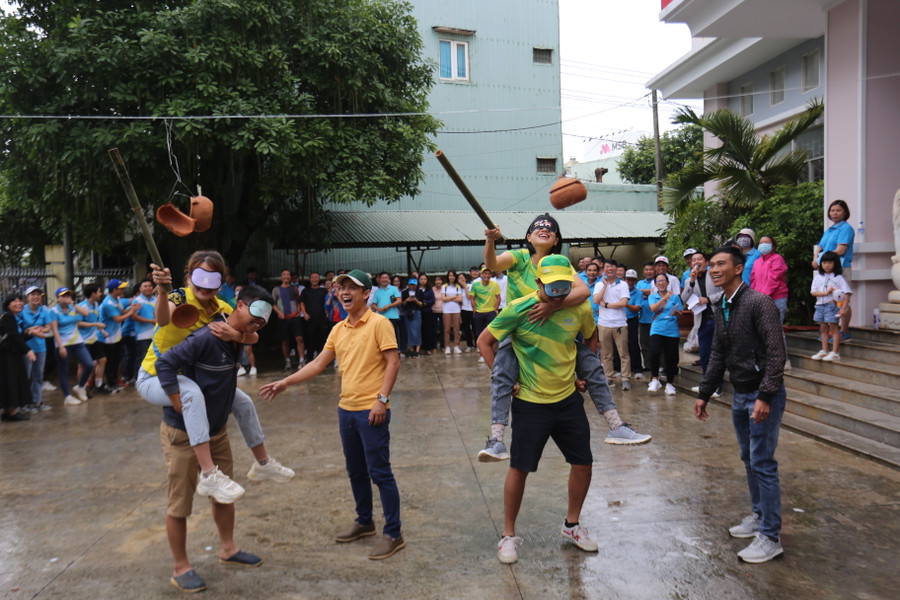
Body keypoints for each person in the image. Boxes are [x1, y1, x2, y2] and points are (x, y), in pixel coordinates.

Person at [260, 269, 405, 561]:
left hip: (371, 411)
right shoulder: (339, 329)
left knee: (380, 473)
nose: (345, 291)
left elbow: (393, 363)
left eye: (352, 287)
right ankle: (364, 522)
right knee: (355, 471)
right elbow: (318, 364)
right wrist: (286, 382)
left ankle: (394, 533)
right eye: (341, 287)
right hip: (346, 411)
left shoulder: (379, 324)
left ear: (367, 294)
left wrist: (381, 400)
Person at [480, 214, 650, 461]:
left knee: (593, 367)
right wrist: (490, 241)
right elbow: (493, 263)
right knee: (501, 374)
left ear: (557, 239)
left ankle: (616, 426)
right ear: (528, 237)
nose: (544, 228)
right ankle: (496, 439)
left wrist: (553, 306)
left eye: (550, 227)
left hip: (556, 328)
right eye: (538, 226)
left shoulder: (559, 263)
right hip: (522, 327)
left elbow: (582, 292)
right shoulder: (519, 257)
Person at [139, 252, 294, 506]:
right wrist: (162, 291)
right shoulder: (178, 296)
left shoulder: (222, 308)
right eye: (198, 278)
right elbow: (162, 318)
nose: (204, 286)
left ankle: (263, 463)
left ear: (221, 283)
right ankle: (209, 473)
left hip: (189, 377)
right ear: (189, 278)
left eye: (212, 279)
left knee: (242, 401)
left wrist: (235, 334)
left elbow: (252, 334)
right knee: (191, 394)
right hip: (156, 376)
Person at [477, 255, 600, 564]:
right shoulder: (518, 309)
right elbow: (484, 341)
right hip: (531, 404)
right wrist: (507, 382)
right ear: (538, 282)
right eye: (552, 286)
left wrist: (584, 372)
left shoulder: (579, 307)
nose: (558, 292)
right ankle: (508, 535)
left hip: (568, 400)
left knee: (583, 463)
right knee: (520, 468)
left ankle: (571, 526)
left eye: (563, 285)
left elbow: (591, 336)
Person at [156, 285, 273, 593]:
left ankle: (228, 549)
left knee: (224, 493)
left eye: (265, 318)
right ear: (239, 306)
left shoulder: (237, 337)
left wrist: (243, 336)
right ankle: (181, 567)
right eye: (255, 313)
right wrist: (174, 397)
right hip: (183, 433)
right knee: (180, 502)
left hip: (216, 430)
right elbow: (164, 363)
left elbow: (254, 336)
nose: (258, 322)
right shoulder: (206, 336)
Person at [694, 245, 787, 564]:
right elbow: (719, 352)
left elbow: (777, 354)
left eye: (721, 264)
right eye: (711, 265)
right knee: (749, 458)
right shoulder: (721, 304)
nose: (714, 269)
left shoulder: (759, 303)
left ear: (738, 269)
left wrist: (765, 396)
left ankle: (771, 536)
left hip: (762, 394)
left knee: (763, 461)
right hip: (740, 392)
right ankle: (760, 515)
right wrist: (704, 392)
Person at [682, 252, 723, 398]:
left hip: (718, 319)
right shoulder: (689, 280)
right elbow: (685, 298)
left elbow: (724, 293)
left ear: (706, 262)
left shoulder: (715, 275)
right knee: (705, 354)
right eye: (693, 260)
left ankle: (718, 386)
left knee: (717, 354)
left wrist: (708, 299)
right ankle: (707, 385)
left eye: (699, 259)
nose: (696, 262)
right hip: (702, 321)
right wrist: (692, 281)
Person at [812, 199, 855, 339]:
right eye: (832, 210)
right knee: (829, 300)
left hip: (841, 269)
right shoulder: (830, 229)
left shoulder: (846, 228)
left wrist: (821, 260)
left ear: (845, 213)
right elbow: (820, 246)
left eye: (838, 210)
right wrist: (815, 258)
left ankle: (845, 331)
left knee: (842, 300)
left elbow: (841, 250)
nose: (834, 213)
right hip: (827, 271)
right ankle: (832, 331)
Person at [49, 287, 95, 406]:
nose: (66, 298)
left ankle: (80, 387)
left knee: (89, 364)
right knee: (63, 371)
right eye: (63, 296)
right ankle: (67, 397)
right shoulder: (53, 311)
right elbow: (55, 330)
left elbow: (86, 313)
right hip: (63, 343)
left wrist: (73, 303)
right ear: (57, 298)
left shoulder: (73, 308)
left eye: (68, 295)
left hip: (77, 342)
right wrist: (60, 347)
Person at [592, 259, 632, 391]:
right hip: (603, 324)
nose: (609, 269)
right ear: (604, 269)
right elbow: (597, 300)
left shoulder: (623, 284)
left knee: (623, 353)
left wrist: (607, 304)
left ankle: (626, 378)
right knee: (607, 354)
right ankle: (608, 377)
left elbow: (623, 303)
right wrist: (604, 286)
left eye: (612, 267)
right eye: (607, 267)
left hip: (620, 324)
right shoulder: (599, 285)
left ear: (616, 269)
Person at [750, 236, 790, 369]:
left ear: (773, 246)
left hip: (776, 298)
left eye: (766, 242)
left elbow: (774, 279)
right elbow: (754, 280)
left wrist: (763, 295)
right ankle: (767, 360)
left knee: (777, 330)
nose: (763, 245)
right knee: (762, 330)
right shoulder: (757, 261)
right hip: (761, 299)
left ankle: (783, 361)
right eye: (761, 242)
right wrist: (755, 296)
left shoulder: (777, 259)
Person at [810, 251, 852, 362]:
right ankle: (824, 350)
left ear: (835, 263)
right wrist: (825, 293)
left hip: (832, 306)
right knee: (823, 329)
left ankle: (835, 352)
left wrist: (843, 308)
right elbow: (813, 292)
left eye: (830, 262)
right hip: (819, 306)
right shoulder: (818, 277)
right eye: (824, 262)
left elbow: (847, 293)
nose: (826, 265)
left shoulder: (838, 278)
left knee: (833, 329)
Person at [646, 273, 683, 396]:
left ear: (668, 283)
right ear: (655, 284)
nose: (661, 283)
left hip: (672, 329)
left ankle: (670, 383)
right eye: (658, 281)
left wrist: (677, 313)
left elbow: (681, 311)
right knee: (654, 353)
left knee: (671, 357)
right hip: (657, 328)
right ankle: (655, 379)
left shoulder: (675, 297)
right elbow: (653, 309)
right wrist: (664, 299)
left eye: (663, 280)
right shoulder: (653, 297)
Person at [18, 286, 52, 412]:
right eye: (32, 294)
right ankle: (23, 404)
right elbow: (19, 330)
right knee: (25, 376)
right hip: (26, 348)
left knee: (38, 376)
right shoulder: (21, 311)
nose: (36, 297)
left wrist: (40, 329)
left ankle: (36, 401)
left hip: (41, 347)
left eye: (38, 294)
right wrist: (31, 331)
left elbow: (48, 328)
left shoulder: (44, 310)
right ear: (27, 298)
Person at [2, 292, 35, 421]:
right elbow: (14, 337)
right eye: (14, 302)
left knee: (12, 381)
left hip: (13, 355)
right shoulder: (7, 318)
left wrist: (31, 332)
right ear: (8, 305)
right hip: (7, 356)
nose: (18, 303)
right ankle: (12, 413)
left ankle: (8, 412)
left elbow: (19, 337)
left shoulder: (16, 318)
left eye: (20, 301)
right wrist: (28, 350)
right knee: (11, 381)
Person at [101, 279, 139, 391]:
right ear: (114, 290)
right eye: (121, 288)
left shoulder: (117, 299)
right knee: (111, 361)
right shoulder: (108, 303)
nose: (123, 290)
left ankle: (114, 382)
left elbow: (122, 312)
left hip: (116, 336)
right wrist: (132, 312)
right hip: (108, 337)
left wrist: (131, 309)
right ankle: (110, 383)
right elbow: (118, 319)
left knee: (117, 359)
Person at [78, 283, 110, 394]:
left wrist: (102, 330)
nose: (101, 293)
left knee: (102, 360)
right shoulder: (82, 306)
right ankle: (81, 388)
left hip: (94, 339)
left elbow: (95, 321)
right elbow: (78, 323)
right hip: (83, 340)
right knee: (83, 365)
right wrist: (96, 325)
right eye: (99, 291)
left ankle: (98, 385)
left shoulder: (96, 305)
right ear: (93, 293)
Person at [272, 269, 304, 370]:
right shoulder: (276, 289)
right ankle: (287, 361)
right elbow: (273, 303)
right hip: (283, 318)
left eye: (288, 274)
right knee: (284, 340)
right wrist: (279, 312)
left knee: (299, 338)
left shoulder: (294, 289)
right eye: (284, 274)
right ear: (281, 277)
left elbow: (299, 301)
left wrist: (298, 312)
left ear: (290, 277)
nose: (286, 276)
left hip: (294, 317)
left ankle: (302, 360)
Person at [470, 267, 501, 362]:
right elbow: (472, 298)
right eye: (485, 273)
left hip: (491, 312)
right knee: (480, 335)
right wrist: (474, 310)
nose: (487, 276)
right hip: (480, 312)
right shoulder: (475, 285)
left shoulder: (495, 284)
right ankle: (482, 354)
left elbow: (498, 297)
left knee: (493, 334)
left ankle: (492, 353)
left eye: (489, 274)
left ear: (491, 275)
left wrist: (495, 309)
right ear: (481, 274)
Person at [300, 272, 329, 363]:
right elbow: (301, 303)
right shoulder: (305, 291)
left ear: (319, 279)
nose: (314, 279)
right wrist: (304, 313)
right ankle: (309, 359)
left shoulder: (323, 291)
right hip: (310, 319)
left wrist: (327, 314)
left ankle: (322, 360)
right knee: (310, 339)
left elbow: (327, 303)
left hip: (322, 318)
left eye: (316, 277)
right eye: (312, 277)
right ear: (310, 279)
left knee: (322, 339)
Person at [623, 270, 645, 380]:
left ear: (635, 281)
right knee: (620, 345)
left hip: (632, 320)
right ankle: (620, 369)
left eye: (632, 280)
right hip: (619, 320)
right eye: (628, 279)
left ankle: (637, 369)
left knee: (633, 344)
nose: (630, 282)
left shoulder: (638, 292)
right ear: (624, 279)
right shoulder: (619, 290)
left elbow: (637, 308)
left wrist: (625, 304)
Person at [441, 270, 463, 354]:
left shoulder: (458, 286)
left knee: (456, 329)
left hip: (456, 310)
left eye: (453, 275)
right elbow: (443, 298)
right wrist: (454, 297)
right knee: (446, 329)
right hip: (446, 310)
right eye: (450, 275)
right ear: (448, 277)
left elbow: (460, 299)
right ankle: (447, 346)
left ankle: (456, 346)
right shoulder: (444, 286)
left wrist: (448, 298)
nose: (451, 277)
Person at [401, 278, 423, 357]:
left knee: (417, 331)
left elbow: (421, 304)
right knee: (409, 331)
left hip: (416, 312)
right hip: (408, 313)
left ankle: (417, 349)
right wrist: (407, 300)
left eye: (414, 285)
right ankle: (411, 349)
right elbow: (402, 304)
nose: (412, 286)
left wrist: (415, 300)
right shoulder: (404, 292)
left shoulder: (419, 292)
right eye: (411, 284)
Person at [458, 272, 476, 351]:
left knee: (475, 328)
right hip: (463, 310)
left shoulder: (470, 286)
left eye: (462, 278)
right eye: (459, 278)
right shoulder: (458, 288)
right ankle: (469, 345)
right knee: (466, 328)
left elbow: (469, 296)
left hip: (472, 309)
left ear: (465, 279)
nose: (461, 280)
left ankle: (477, 344)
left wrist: (465, 286)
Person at [418, 274, 436, 354]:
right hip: (418, 312)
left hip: (428, 311)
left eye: (425, 279)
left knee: (428, 330)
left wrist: (425, 303)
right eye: (421, 279)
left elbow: (432, 300)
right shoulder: (416, 289)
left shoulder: (429, 289)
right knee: (420, 329)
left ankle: (428, 348)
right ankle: (420, 347)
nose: (423, 281)